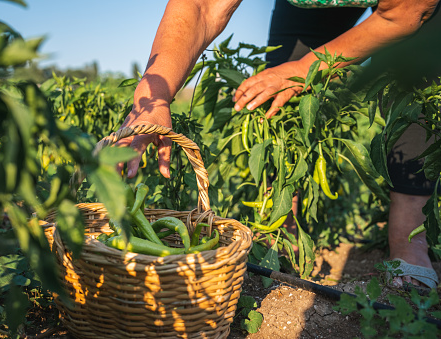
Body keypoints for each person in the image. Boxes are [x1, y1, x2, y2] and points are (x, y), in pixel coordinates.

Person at [114, 0, 440, 289]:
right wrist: (154, 98)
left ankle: (409, 238)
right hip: (308, 6)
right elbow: (200, 6)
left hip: (404, 8)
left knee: (416, 92)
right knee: (277, 98)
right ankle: (284, 231)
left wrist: (301, 70)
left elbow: (406, 12)